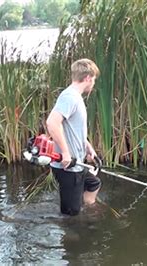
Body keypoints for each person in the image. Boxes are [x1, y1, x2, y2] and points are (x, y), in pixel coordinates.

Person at [46, 58, 101, 216]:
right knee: (71, 213)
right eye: (94, 80)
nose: (93, 84)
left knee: (93, 183)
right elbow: (52, 123)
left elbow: (73, 129)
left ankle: (89, 209)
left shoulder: (76, 97)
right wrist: (65, 153)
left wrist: (88, 148)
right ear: (88, 78)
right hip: (68, 166)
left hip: (78, 163)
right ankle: (70, 235)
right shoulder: (69, 97)